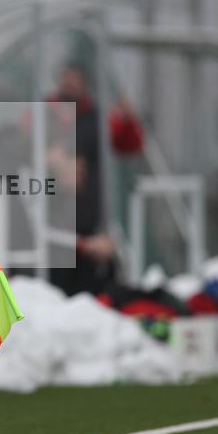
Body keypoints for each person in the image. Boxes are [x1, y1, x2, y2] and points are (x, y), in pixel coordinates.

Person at [44, 64, 143, 296]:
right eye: (66, 78)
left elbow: (130, 143)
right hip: (56, 223)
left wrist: (126, 119)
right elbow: (14, 140)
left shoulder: (96, 120)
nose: (70, 84)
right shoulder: (44, 114)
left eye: (75, 79)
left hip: (86, 222)